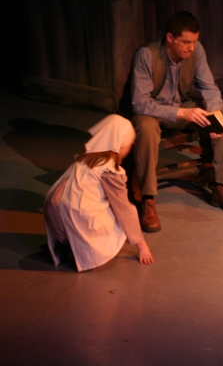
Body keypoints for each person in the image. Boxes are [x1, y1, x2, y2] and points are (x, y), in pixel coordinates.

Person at [129, 11, 223, 233]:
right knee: (146, 127)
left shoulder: (196, 50)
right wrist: (181, 113)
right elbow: (140, 103)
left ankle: (222, 186)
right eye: (186, 42)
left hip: (183, 107)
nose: (191, 48)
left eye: (194, 42)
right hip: (153, 112)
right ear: (170, 38)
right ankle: (148, 198)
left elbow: (209, 87)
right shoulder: (146, 54)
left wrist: (214, 115)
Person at [44, 114, 154, 271]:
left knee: (84, 205)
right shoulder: (109, 169)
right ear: (121, 145)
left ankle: (66, 244)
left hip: (53, 210)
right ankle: (81, 250)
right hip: (75, 214)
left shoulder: (85, 158)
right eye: (130, 145)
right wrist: (142, 245)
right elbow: (123, 209)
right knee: (118, 212)